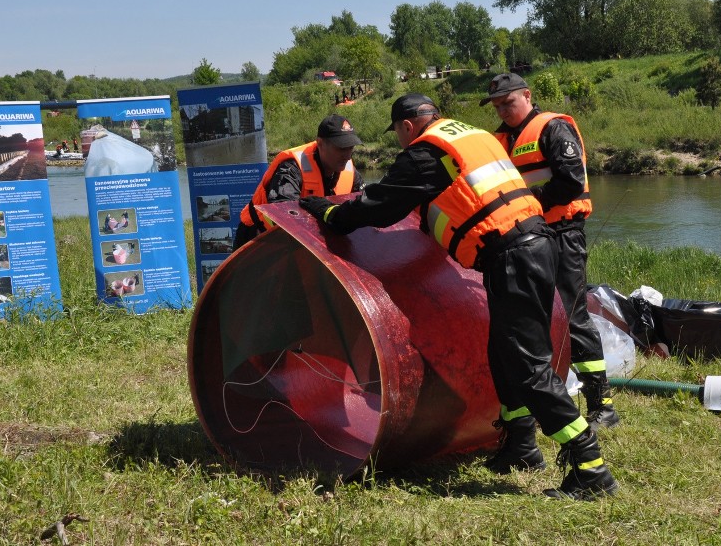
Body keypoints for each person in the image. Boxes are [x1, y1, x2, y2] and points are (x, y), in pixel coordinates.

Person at [300, 93, 618, 500]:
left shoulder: (425, 152)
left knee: (527, 366)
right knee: (504, 353)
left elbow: (378, 209)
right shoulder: (472, 135)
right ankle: (521, 445)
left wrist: (327, 214)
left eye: (398, 132)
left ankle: (589, 466)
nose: (400, 140)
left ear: (408, 126)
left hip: (513, 255)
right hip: (532, 245)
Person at [480, 73, 619, 473]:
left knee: (572, 314)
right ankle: (530, 422)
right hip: (528, 238)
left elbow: (571, 181)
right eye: (497, 105)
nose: (503, 110)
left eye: (509, 102)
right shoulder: (499, 140)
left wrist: (529, 200)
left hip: (562, 232)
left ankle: (601, 404)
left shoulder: (554, 128)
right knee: (531, 324)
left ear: (527, 95)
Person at [233, 114, 365, 249]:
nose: (348, 155)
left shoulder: (350, 171)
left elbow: (362, 207)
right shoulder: (291, 167)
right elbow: (282, 213)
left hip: (308, 241)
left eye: (351, 147)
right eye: (341, 148)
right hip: (259, 237)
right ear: (320, 143)